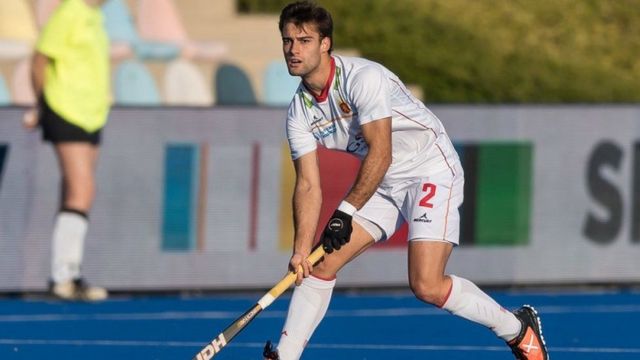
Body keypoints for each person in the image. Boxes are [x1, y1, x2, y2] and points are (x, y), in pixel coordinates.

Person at [262, 1, 548, 359]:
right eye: (287, 41)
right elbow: (307, 184)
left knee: (427, 284)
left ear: (325, 44)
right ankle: (286, 355)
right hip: (384, 180)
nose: (293, 50)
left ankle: (519, 331)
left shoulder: (363, 79)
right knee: (319, 265)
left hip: (429, 166)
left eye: (303, 40)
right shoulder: (299, 112)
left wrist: (345, 211)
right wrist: (301, 249)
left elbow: (381, 152)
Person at [23, 0, 110, 301]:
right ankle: (64, 277)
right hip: (65, 110)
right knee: (83, 189)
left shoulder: (94, 17)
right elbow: (40, 59)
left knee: (76, 192)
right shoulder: (69, 11)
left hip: (91, 115)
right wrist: (41, 104)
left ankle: (69, 274)